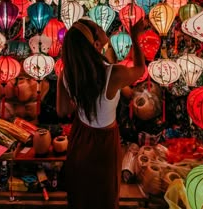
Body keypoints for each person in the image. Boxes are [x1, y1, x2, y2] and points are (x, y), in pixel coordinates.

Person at [56, 17, 145, 209]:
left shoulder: (67, 74)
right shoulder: (114, 74)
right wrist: (135, 37)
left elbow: (63, 110)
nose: (101, 25)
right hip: (104, 143)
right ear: (96, 44)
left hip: (80, 136)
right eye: (98, 27)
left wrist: (83, 97)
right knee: (104, 195)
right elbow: (140, 69)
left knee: (81, 193)